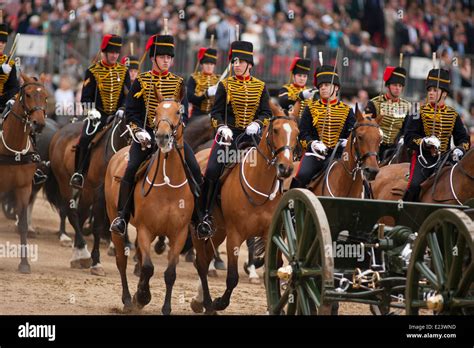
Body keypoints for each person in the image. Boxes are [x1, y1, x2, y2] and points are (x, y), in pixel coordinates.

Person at [109, 33, 202, 237]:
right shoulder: (141, 81)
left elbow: (183, 112)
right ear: (153, 58)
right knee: (131, 168)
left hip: (173, 139)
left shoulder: (178, 82)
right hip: (147, 137)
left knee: (195, 168)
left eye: (169, 58)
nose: (166, 61)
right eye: (162, 57)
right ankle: (122, 217)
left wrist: (178, 129)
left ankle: (200, 218)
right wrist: (139, 132)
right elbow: (131, 113)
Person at [196, 40, 272, 238]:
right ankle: (204, 215)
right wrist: (222, 127)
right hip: (228, 138)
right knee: (212, 169)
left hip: (252, 138)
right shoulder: (225, 85)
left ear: (249, 64)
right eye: (234, 61)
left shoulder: (261, 86)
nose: (236, 65)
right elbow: (215, 113)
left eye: (240, 61)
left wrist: (258, 123)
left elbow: (266, 113)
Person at [70, 34, 131, 189]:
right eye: (112, 52)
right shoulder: (93, 71)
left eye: (117, 53)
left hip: (118, 115)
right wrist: (91, 111)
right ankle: (79, 173)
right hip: (98, 115)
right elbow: (86, 97)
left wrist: (123, 109)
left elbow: (127, 95)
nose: (115, 55)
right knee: (85, 139)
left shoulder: (123, 71)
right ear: (104, 52)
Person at [403, 68, 470, 202]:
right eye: (429, 90)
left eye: (435, 90)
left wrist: (460, 148)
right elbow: (409, 137)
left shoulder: (453, 114)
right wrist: (425, 142)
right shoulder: (418, 111)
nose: (431, 93)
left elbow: (464, 139)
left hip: (445, 159)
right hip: (423, 159)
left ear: (444, 93)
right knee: (414, 186)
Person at [290, 64, 355, 189]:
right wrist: (312, 144)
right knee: (302, 175)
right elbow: (303, 133)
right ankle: (293, 203)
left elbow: (353, 133)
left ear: (336, 87)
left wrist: (347, 142)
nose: (323, 88)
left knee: (359, 177)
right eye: (320, 86)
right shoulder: (310, 108)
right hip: (316, 155)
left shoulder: (347, 110)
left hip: (340, 156)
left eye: (326, 85)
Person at [364, 66, 410, 161]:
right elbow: (366, 127)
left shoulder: (407, 106)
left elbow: (407, 128)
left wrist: (401, 138)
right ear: (388, 85)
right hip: (376, 147)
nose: (397, 88)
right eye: (395, 85)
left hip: (396, 148)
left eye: (400, 86)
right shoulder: (374, 103)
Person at [187, 47, 220, 118]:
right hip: (197, 114)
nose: (209, 66)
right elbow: (190, 97)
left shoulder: (219, 80)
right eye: (207, 63)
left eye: (211, 64)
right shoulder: (194, 78)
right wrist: (205, 95)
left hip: (213, 115)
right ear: (202, 64)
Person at [0, 23, 20, 115]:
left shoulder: (9, 63)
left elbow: (14, 86)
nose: (1, 44)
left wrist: (8, 98)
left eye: (3, 42)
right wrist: (1, 70)